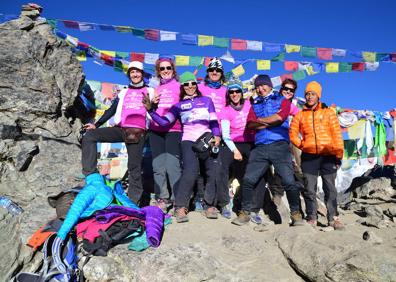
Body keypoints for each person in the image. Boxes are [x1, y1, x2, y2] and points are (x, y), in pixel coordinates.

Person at [142, 72, 221, 223]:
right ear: (182, 87)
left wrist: (216, 136)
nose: (190, 86)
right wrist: (150, 110)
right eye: (186, 84)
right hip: (188, 141)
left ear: (196, 85)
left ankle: (209, 204)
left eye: (192, 83)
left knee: (212, 171)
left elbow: (213, 122)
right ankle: (180, 206)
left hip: (207, 140)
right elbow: (165, 122)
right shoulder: (178, 106)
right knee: (190, 172)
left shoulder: (207, 101)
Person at [231, 74, 304, 226]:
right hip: (260, 147)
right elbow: (250, 124)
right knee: (249, 179)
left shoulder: (281, 100)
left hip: (280, 145)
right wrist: (269, 122)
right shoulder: (254, 103)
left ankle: (296, 214)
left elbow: (281, 117)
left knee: (289, 181)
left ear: (270, 86)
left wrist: (261, 122)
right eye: (257, 86)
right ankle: (245, 213)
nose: (260, 88)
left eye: (263, 85)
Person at [81, 61, 154, 205]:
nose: (135, 74)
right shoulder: (124, 92)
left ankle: (133, 202)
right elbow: (111, 110)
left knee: (134, 166)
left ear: (142, 74)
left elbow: (156, 111)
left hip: (137, 131)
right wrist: (96, 125)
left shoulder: (151, 91)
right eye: (132, 72)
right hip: (120, 128)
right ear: (129, 75)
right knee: (89, 136)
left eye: (137, 71)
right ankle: (90, 175)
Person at [289, 81, 345, 230]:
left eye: (312, 94)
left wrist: (338, 155)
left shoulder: (329, 113)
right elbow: (292, 133)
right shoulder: (300, 115)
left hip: (328, 155)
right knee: (309, 188)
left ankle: (333, 218)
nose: (309, 96)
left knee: (330, 188)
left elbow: (337, 135)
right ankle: (311, 217)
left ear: (318, 95)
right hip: (309, 157)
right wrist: (302, 145)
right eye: (307, 94)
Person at [219, 79, 266, 222]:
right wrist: (235, 150)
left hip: (251, 142)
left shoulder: (250, 105)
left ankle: (253, 208)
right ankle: (224, 203)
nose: (234, 94)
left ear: (241, 92)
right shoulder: (225, 110)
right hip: (232, 143)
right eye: (231, 92)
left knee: (259, 171)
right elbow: (225, 135)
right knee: (221, 165)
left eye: (237, 91)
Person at [149, 57, 182, 212]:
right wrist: (152, 103)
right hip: (155, 130)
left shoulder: (179, 86)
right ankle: (163, 198)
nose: (165, 71)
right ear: (158, 72)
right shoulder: (155, 89)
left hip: (173, 130)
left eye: (168, 68)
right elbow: (149, 110)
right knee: (158, 166)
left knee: (173, 166)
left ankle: (177, 200)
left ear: (173, 70)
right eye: (162, 69)